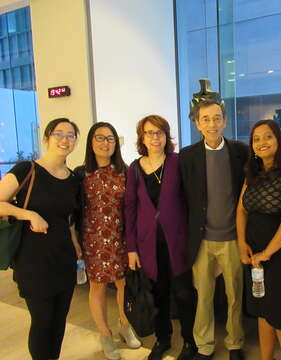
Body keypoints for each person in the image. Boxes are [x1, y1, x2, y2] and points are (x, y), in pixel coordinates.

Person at [0, 118, 82, 360]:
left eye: (70, 135)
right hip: (33, 261)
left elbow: (68, 218)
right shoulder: (27, 170)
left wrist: (75, 243)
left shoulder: (73, 179)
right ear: (46, 138)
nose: (64, 140)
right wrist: (29, 214)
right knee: (42, 321)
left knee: (58, 322)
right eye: (59, 134)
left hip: (63, 259)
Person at [179, 92, 248, 360]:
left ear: (225, 121)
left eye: (216, 118)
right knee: (203, 298)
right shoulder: (187, 156)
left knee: (234, 296)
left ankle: (234, 343)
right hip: (202, 239)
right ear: (197, 123)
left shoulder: (240, 151)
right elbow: (182, 199)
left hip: (232, 238)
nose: (212, 124)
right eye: (205, 119)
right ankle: (204, 345)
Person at [124, 115, 197, 360]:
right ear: (141, 137)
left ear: (166, 136)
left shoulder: (178, 161)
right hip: (148, 245)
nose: (154, 137)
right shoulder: (134, 168)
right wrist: (131, 248)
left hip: (178, 241)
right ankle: (162, 339)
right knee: (158, 293)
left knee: (184, 294)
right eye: (149, 133)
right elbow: (130, 209)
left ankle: (189, 341)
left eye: (159, 132)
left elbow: (192, 199)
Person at [236, 119, 281, 360]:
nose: (262, 143)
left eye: (268, 136)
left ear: (278, 139)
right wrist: (241, 243)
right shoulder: (253, 174)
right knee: (262, 311)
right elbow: (241, 210)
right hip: (254, 252)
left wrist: (268, 252)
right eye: (256, 139)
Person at [74, 122, 140, 360]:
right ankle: (105, 333)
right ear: (91, 142)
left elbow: (134, 207)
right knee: (98, 286)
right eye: (100, 138)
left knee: (125, 284)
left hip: (122, 236)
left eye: (110, 138)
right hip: (93, 239)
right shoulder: (81, 173)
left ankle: (125, 324)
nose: (105, 143)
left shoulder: (127, 170)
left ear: (116, 143)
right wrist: (74, 240)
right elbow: (73, 210)